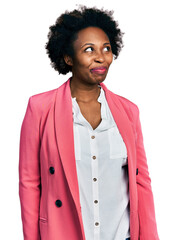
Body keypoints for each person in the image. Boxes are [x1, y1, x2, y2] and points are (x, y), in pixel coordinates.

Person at [18, 5, 160, 240]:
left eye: (106, 48)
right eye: (89, 49)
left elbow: (141, 182)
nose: (100, 57)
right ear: (68, 58)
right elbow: (29, 184)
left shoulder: (128, 111)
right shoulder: (40, 108)